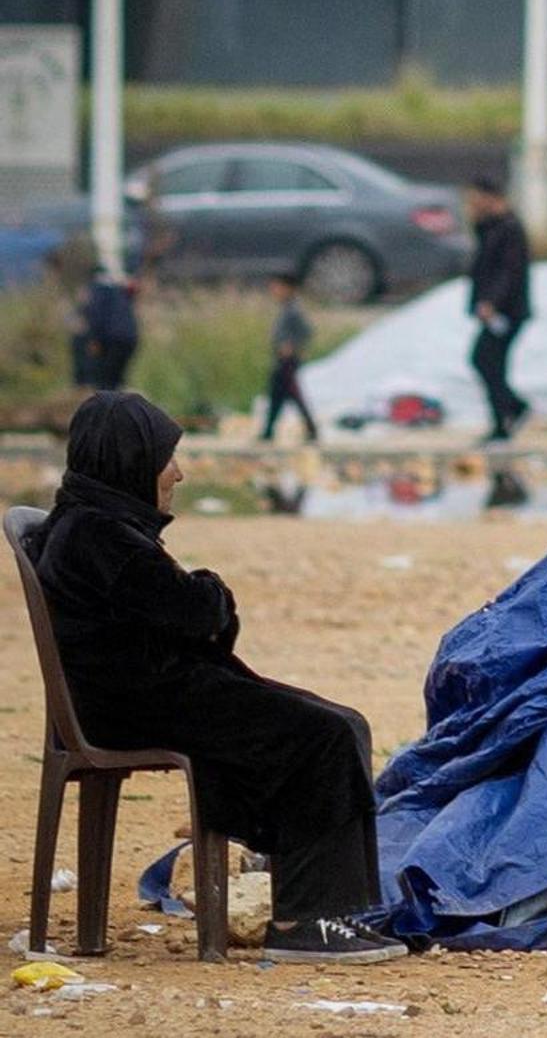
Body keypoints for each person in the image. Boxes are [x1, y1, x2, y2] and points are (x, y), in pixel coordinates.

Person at [25, 391, 405, 963]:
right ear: (129, 460)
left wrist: (203, 601)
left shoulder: (92, 522)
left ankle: (325, 907)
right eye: (165, 458)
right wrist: (214, 590)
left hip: (144, 692)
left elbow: (180, 614)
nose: (177, 472)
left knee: (339, 722)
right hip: (139, 703)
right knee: (321, 735)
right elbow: (195, 612)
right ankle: (306, 920)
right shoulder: (99, 535)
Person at [464, 175, 532, 445]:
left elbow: (508, 272)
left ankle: (507, 416)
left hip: (505, 311)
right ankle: (509, 412)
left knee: (486, 360)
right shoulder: (490, 227)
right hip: (493, 310)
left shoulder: (510, 229)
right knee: (487, 362)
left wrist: (491, 302)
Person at [258, 272, 319, 444]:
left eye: (278, 287)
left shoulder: (294, 310)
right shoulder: (286, 308)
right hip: (281, 359)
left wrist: (292, 345)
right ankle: (268, 431)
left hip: (288, 361)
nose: (274, 290)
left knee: (293, 395)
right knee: (277, 396)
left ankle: (310, 429)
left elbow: (307, 331)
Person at [74, 271, 139, 390]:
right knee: (116, 380)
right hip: (130, 338)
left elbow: (96, 316)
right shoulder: (116, 290)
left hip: (113, 338)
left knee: (105, 381)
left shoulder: (97, 291)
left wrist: (95, 340)